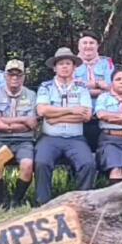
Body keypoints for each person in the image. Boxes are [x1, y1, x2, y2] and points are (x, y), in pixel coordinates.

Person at [34, 47, 97, 205]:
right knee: (41, 162)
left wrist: (54, 117)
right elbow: (42, 111)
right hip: (50, 138)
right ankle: (44, 204)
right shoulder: (46, 87)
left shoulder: (82, 89)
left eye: (68, 63)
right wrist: (71, 110)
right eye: (60, 63)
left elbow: (86, 115)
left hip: (75, 138)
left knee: (88, 164)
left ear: (74, 67)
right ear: (55, 67)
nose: (64, 66)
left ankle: (82, 204)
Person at [0, 59, 38, 208]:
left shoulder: (31, 95)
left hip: (24, 140)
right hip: (0, 139)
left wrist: (7, 123)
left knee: (27, 165)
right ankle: (1, 201)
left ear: (23, 77)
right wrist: (23, 121)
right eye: (11, 75)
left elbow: (33, 124)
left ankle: (16, 200)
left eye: (18, 75)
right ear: (5, 76)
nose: (14, 78)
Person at [74, 30, 114, 152]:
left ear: (97, 46)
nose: (88, 46)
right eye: (84, 43)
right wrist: (98, 85)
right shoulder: (71, 64)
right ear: (79, 46)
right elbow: (73, 89)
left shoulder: (107, 63)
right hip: (80, 114)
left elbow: (112, 88)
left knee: (103, 150)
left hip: (103, 114)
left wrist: (86, 87)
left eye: (91, 43)